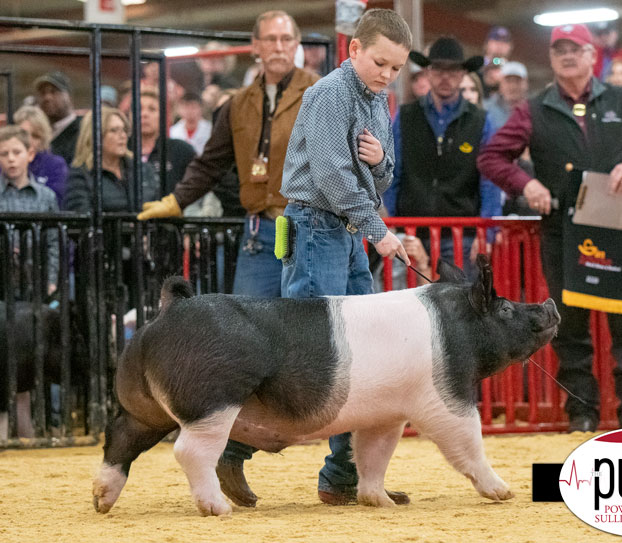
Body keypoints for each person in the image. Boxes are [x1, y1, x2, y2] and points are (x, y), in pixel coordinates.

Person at [135, 10, 319, 504]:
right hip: (259, 233)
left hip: (310, 229)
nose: (279, 46)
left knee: (321, 346)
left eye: (288, 38)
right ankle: (232, 457)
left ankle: (342, 469)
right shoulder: (237, 104)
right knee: (238, 352)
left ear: (297, 45)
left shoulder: (322, 92)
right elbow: (211, 161)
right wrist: (178, 200)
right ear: (254, 46)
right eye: (271, 39)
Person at [477, 23, 622, 432]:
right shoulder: (533, 108)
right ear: (551, 58)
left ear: (591, 55)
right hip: (561, 231)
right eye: (559, 49)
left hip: (615, 229)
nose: (567, 55)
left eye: (575, 48)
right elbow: (491, 157)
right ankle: (581, 410)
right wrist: (527, 183)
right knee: (571, 325)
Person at [279, 8, 412, 505]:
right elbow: (334, 176)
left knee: (360, 357)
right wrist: (378, 230)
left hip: (344, 230)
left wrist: (380, 162)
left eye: (396, 68)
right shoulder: (330, 94)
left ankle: (342, 475)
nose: (387, 75)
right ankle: (233, 449)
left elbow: (382, 173)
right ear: (353, 49)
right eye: (380, 62)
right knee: (313, 354)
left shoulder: (379, 100)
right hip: (316, 226)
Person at [384, 36, 502, 278]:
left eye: (453, 70)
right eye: (438, 69)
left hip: (463, 234)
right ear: (428, 72)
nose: (445, 76)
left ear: (462, 75)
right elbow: (392, 171)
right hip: (413, 231)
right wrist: (397, 223)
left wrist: (485, 232)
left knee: (458, 309)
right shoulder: (406, 116)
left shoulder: (479, 120)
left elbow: (489, 179)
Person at [0, 126, 59, 296]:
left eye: (17, 152)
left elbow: (53, 243)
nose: (11, 159)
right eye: (4, 154)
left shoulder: (46, 196)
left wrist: (51, 280)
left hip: (36, 281)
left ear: (30, 154)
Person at [64, 107, 158, 213]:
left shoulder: (143, 169)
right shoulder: (81, 175)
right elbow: (81, 216)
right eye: (114, 130)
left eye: (124, 130)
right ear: (95, 135)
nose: (122, 135)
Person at [137, 88, 197, 196]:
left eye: (152, 109)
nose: (144, 114)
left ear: (165, 116)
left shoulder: (181, 150)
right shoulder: (122, 149)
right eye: (138, 108)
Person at [12, 105, 68, 207]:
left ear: (43, 138)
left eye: (35, 136)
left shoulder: (55, 165)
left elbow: (56, 201)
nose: (29, 140)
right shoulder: (4, 164)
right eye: (24, 134)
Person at [33, 71, 81, 165]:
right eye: (42, 93)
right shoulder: (38, 132)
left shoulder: (82, 129)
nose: (47, 97)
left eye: (54, 91)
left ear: (69, 96)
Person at [484, 61, 528, 129]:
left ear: (526, 84)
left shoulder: (534, 109)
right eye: (508, 81)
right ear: (500, 83)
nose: (513, 86)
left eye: (517, 81)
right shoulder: (486, 108)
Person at [170, 92, 212, 156]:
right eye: (186, 107)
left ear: (201, 108)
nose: (189, 111)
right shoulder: (173, 131)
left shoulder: (211, 130)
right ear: (179, 109)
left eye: (193, 107)